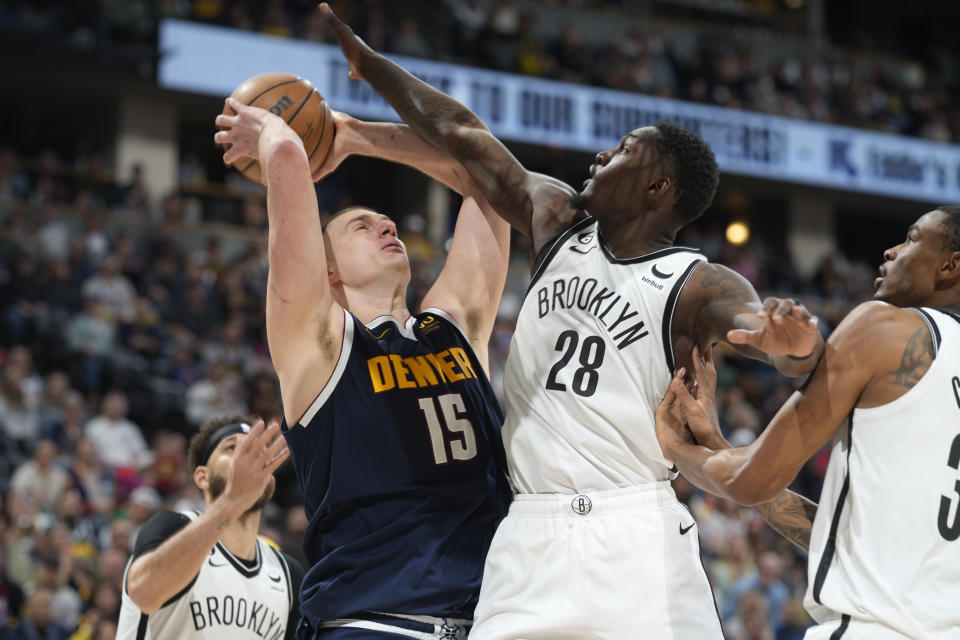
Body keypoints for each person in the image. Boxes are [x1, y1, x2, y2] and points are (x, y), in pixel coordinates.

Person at [318, 6, 825, 638]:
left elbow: (765, 336)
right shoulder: (556, 220)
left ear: (656, 187)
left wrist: (792, 349)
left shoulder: (697, 283)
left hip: (634, 531)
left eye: (624, 151)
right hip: (529, 537)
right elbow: (461, 134)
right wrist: (372, 67)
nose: (603, 153)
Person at [213, 89, 513, 638]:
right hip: (373, 621)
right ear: (329, 273)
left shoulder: (453, 328)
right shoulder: (319, 340)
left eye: (387, 221)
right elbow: (286, 162)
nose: (387, 226)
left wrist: (355, 137)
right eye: (362, 226)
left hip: (489, 620)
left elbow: (491, 171)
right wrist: (280, 135)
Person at [655, 206, 960, 639]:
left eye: (911, 239)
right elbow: (839, 537)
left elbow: (748, 481)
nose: (891, 251)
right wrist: (720, 446)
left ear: (952, 264)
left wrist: (677, 448)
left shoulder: (885, 326)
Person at [116, 415, 303, 640]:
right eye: (232, 447)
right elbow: (144, 594)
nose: (246, 459)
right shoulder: (174, 527)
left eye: (256, 452)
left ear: (270, 485)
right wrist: (232, 502)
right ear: (203, 477)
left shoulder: (288, 573)